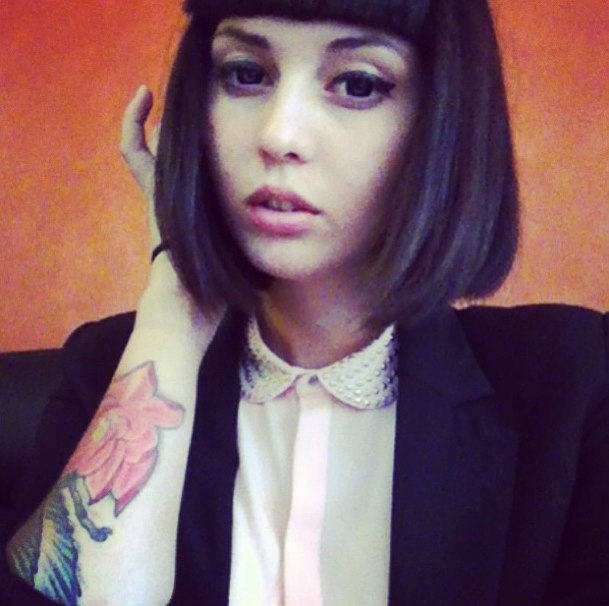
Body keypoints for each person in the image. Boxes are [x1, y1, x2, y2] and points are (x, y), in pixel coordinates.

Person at [2, 0, 608, 604]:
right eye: (246, 74)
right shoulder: (109, 367)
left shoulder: (574, 382)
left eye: (358, 84)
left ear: (444, 119)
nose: (279, 134)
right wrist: (175, 298)